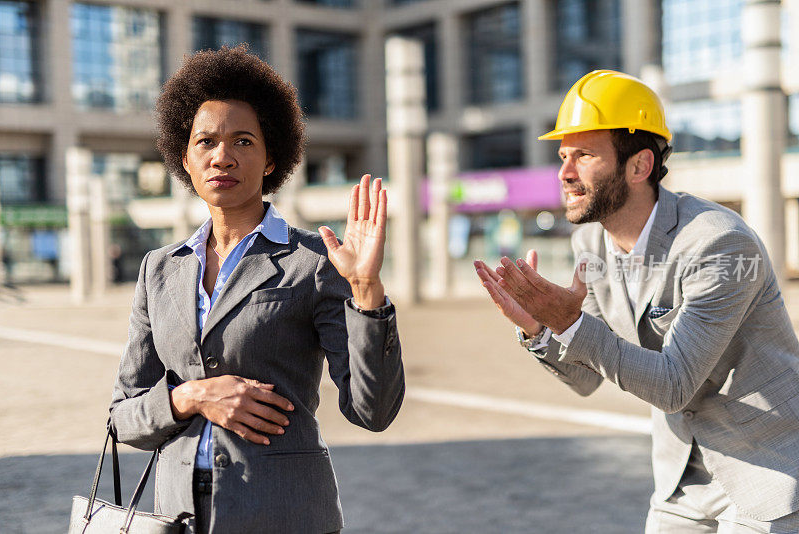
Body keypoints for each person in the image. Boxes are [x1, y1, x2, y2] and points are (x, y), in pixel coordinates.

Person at [474, 70, 799, 532]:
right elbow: (586, 377)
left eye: (584, 155)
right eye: (563, 156)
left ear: (640, 165)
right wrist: (538, 329)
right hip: (678, 484)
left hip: (765, 474)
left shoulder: (719, 243)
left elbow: (673, 386)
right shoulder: (589, 246)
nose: (564, 173)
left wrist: (568, 324)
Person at [109, 46, 405, 534]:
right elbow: (124, 416)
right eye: (206, 141)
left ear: (271, 159)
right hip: (177, 517)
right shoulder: (159, 270)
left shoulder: (313, 262)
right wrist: (193, 397)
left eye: (243, 141)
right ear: (185, 158)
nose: (222, 156)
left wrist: (367, 290)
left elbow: (372, 411)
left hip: (284, 514)